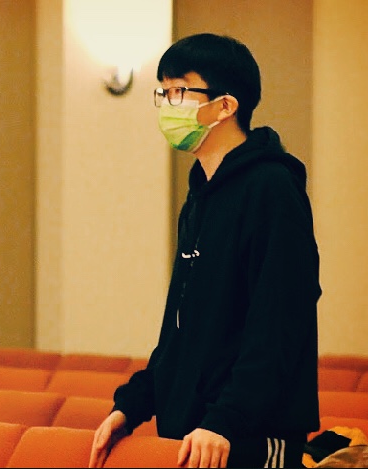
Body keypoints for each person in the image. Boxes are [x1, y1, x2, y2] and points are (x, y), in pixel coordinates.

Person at [89, 33, 321, 468]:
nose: (167, 105)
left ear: (225, 105)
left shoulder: (271, 189)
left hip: (247, 435)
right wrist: (133, 406)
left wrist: (227, 418)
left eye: (179, 91)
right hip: (191, 434)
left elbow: (279, 321)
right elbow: (182, 328)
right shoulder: (200, 196)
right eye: (162, 93)